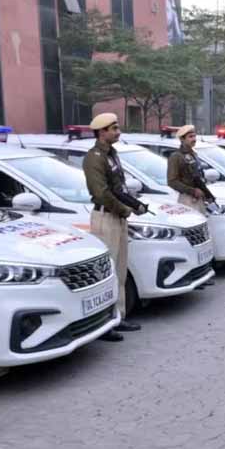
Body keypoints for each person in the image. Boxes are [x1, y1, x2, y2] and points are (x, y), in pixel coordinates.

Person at [83, 113, 147, 340]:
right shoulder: (94, 157)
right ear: (102, 132)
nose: (118, 132)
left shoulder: (112, 154)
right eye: (114, 128)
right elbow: (100, 192)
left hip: (117, 216)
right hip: (105, 217)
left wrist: (134, 205)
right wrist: (124, 209)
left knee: (119, 271)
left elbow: (119, 188)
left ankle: (117, 317)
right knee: (107, 272)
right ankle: (103, 323)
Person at [167, 125, 215, 216]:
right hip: (187, 198)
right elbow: (172, 181)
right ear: (182, 139)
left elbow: (197, 178)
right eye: (190, 137)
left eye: (194, 136)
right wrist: (192, 191)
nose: (194, 139)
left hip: (198, 198)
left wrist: (208, 195)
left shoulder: (193, 154)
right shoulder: (176, 157)